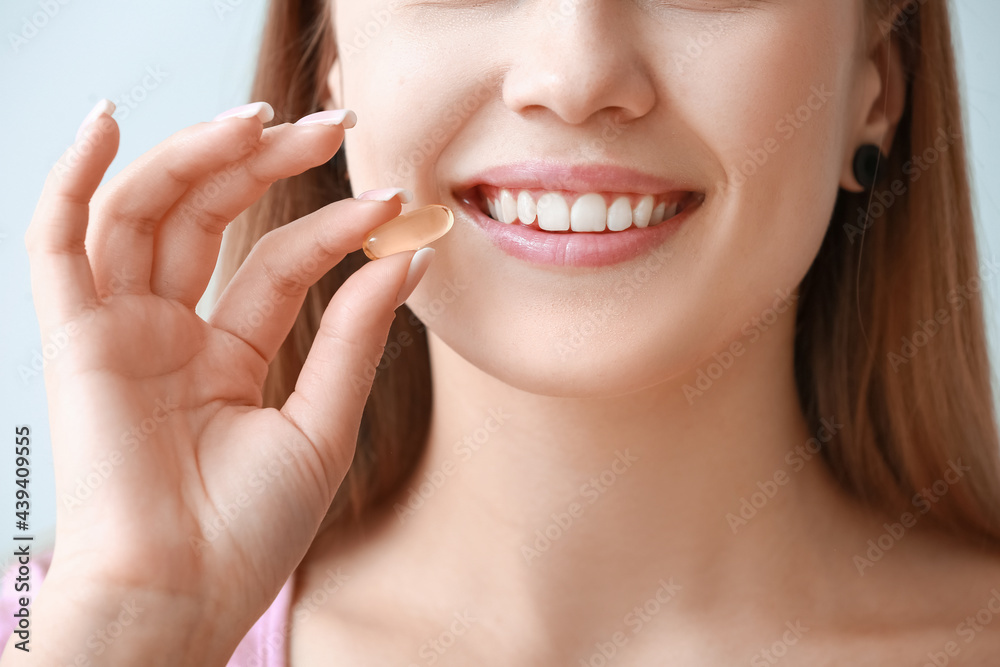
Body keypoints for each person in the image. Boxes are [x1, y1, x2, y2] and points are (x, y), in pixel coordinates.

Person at [4, 0, 1000, 664]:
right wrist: (133, 638)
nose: (576, 76)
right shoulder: (52, 631)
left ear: (877, 77)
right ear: (330, 63)